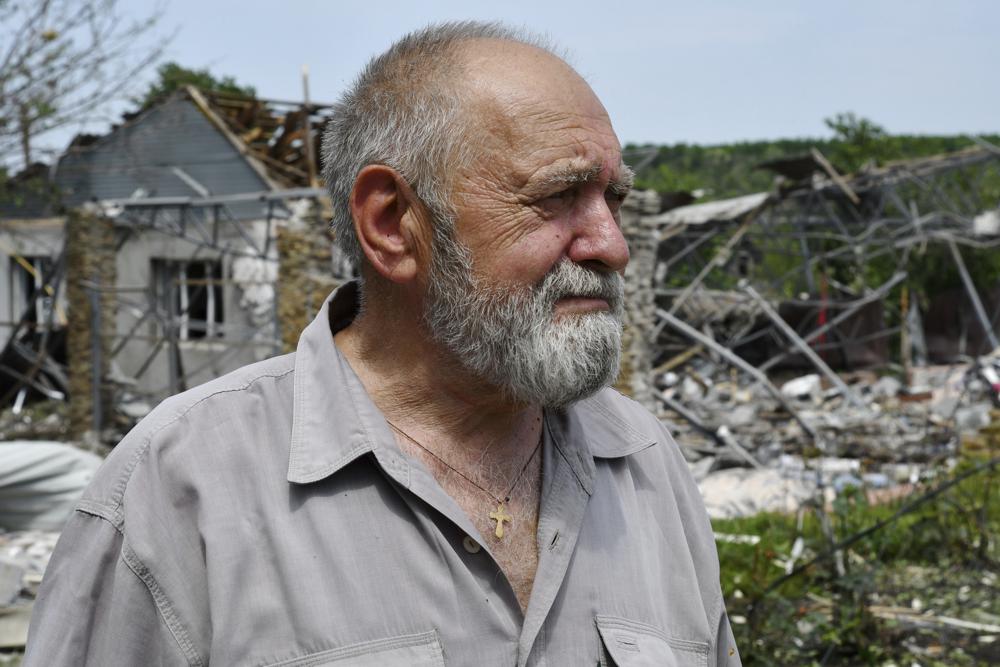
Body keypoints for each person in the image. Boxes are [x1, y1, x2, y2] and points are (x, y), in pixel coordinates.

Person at [25, 21, 740, 666]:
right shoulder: (179, 488)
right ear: (394, 223)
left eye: (612, 198)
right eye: (557, 196)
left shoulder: (646, 464)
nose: (611, 245)